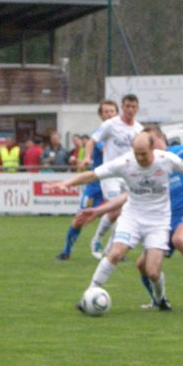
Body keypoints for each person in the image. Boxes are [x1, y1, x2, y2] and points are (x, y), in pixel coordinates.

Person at [77, 125, 183, 305]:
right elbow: (128, 196)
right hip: (164, 221)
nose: (150, 147)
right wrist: (99, 210)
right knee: (142, 265)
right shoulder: (144, 164)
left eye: (152, 141)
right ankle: (158, 301)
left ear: (162, 138)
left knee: (180, 239)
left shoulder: (178, 154)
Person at [53, 132, 183, 312]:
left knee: (153, 272)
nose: (140, 158)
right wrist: (67, 183)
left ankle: (160, 300)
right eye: (137, 154)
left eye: (144, 154)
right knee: (115, 253)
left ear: (152, 149)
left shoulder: (165, 159)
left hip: (158, 221)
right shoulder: (125, 162)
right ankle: (88, 294)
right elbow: (93, 175)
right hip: (132, 217)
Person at [55, 100, 118, 261]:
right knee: (80, 219)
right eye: (106, 111)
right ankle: (66, 250)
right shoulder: (100, 133)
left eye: (112, 111)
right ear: (100, 115)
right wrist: (88, 158)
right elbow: (104, 149)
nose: (109, 114)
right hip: (96, 183)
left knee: (120, 214)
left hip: (116, 181)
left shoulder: (123, 133)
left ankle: (114, 250)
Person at [84, 94, 144, 259]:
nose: (130, 110)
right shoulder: (110, 125)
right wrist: (87, 157)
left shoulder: (139, 129)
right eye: (127, 106)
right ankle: (97, 239)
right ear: (122, 108)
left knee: (125, 213)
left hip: (129, 175)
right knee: (116, 209)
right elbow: (91, 141)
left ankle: (110, 249)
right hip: (110, 174)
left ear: (137, 109)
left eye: (133, 107)